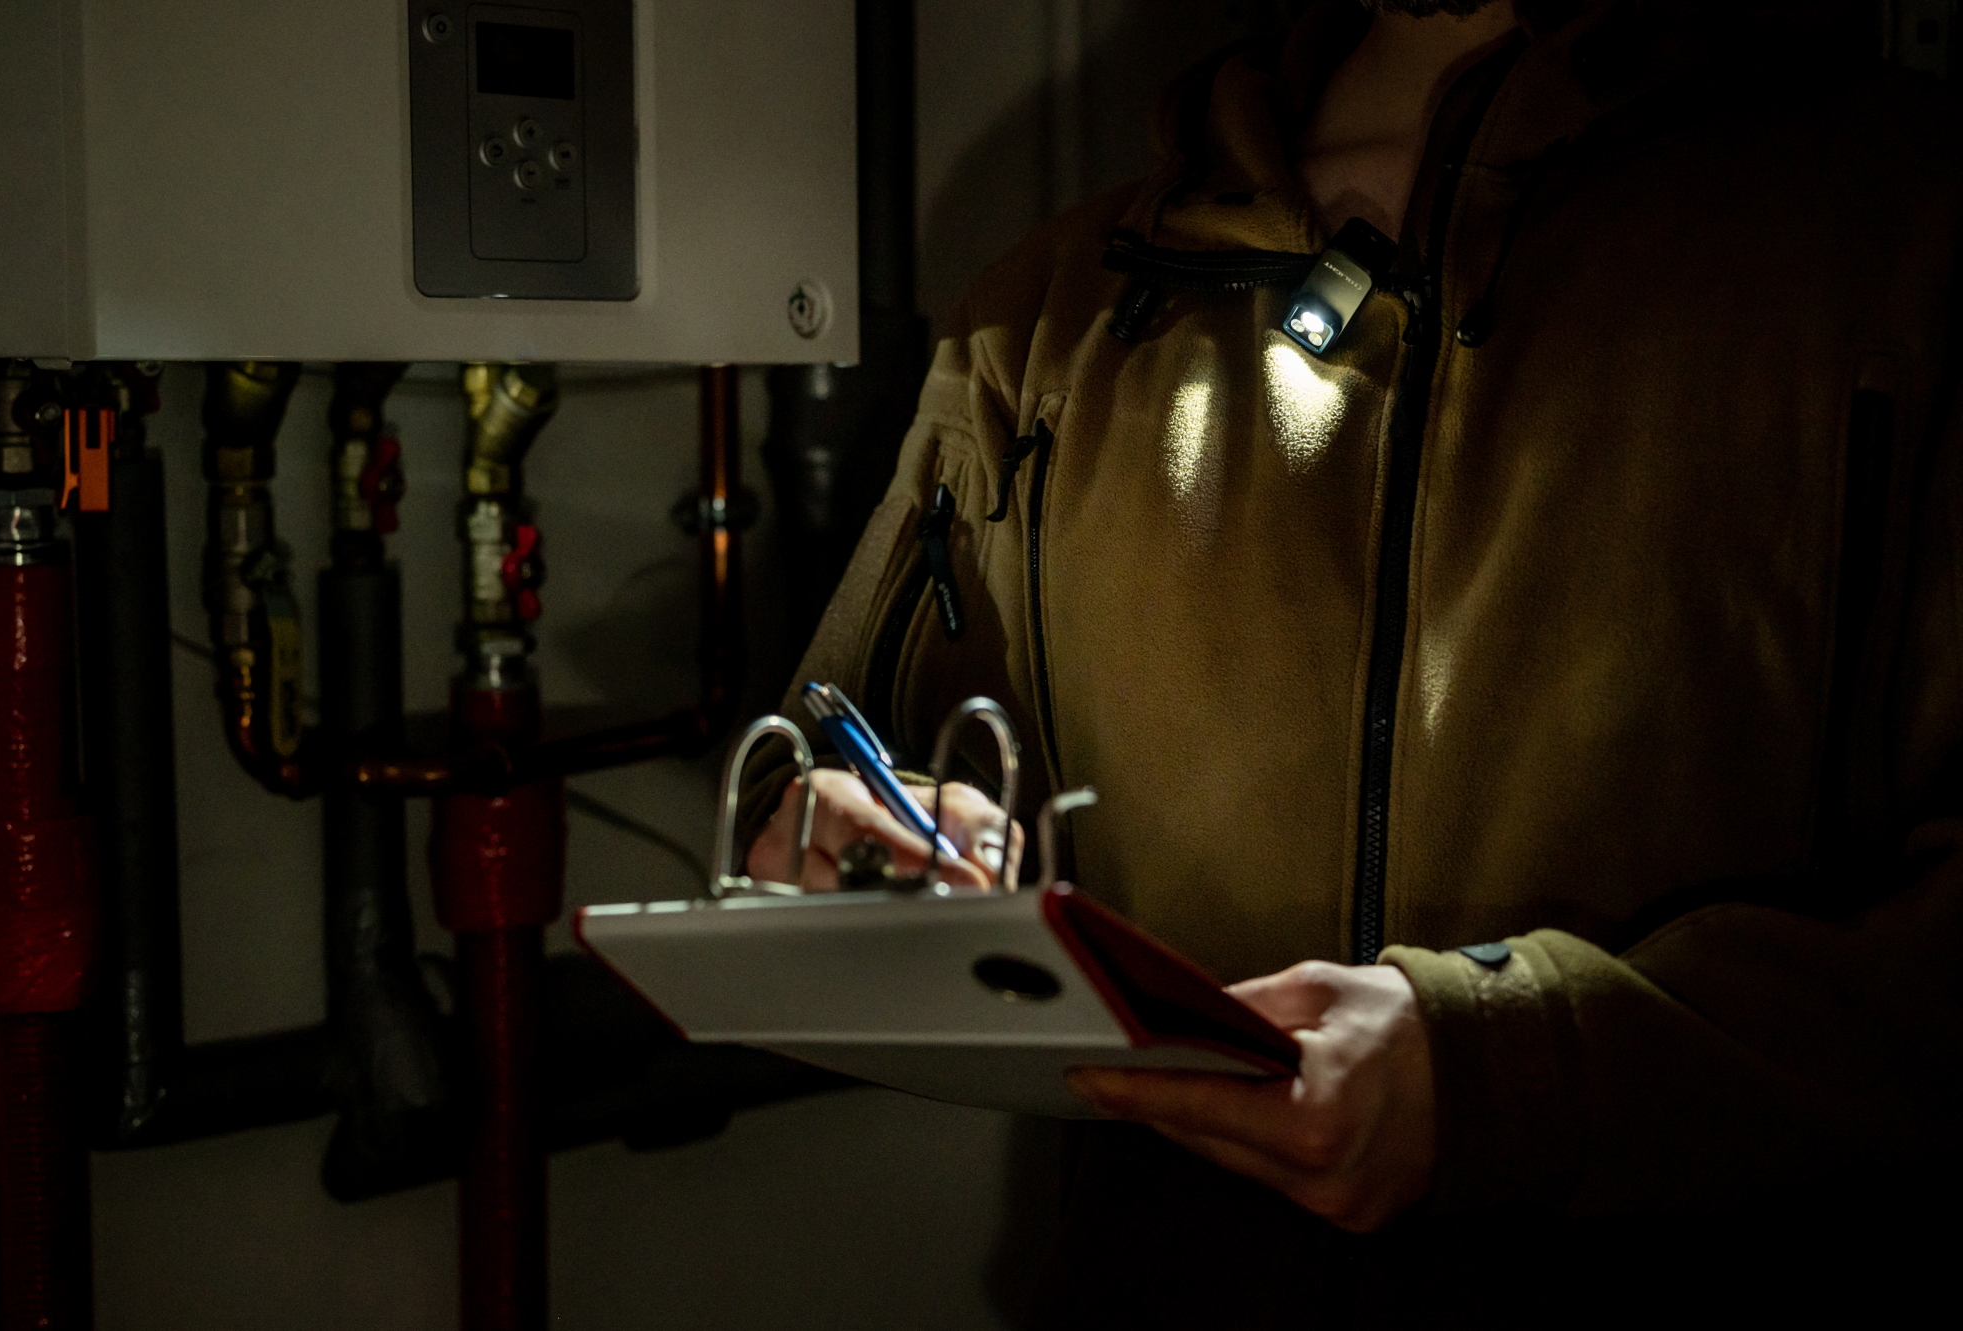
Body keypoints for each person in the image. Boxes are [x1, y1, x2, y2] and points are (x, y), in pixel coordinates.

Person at [749, 0, 1963, 1321]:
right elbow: (827, 771)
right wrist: (833, 844)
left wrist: (1508, 1073)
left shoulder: (1908, 241)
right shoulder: (1054, 308)